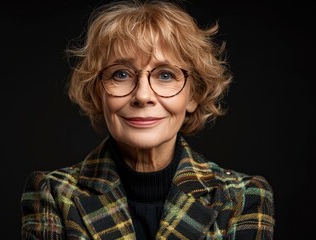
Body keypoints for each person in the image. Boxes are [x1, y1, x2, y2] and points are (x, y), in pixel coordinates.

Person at [20, 0, 275, 239]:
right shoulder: (53, 194)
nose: (142, 96)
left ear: (193, 95)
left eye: (165, 75)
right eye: (121, 74)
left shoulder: (242, 196)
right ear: (97, 92)